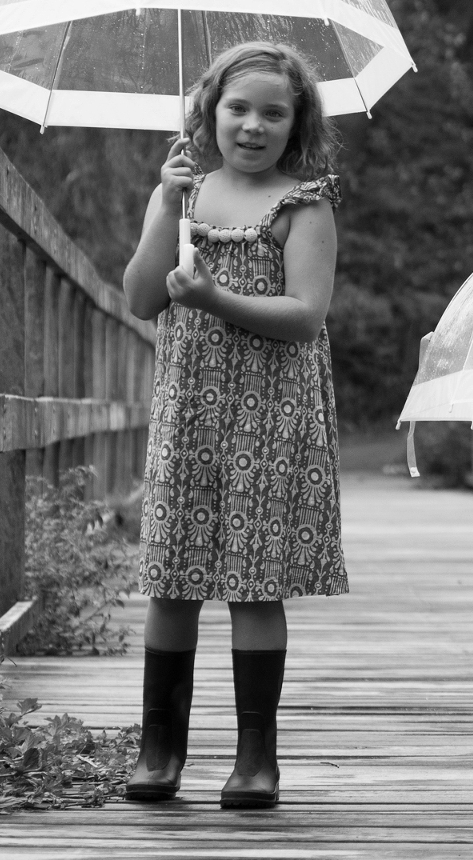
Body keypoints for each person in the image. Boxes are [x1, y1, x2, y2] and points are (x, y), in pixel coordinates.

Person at [120, 41, 349, 809]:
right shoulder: (183, 196)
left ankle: (256, 759)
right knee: (173, 575)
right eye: (237, 108)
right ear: (209, 112)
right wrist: (161, 207)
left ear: (296, 123)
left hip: (272, 416)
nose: (252, 125)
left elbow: (305, 316)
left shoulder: (304, 205)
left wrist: (216, 299)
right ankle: (161, 750)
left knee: (253, 582)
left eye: (272, 113)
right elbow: (143, 299)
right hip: (190, 410)